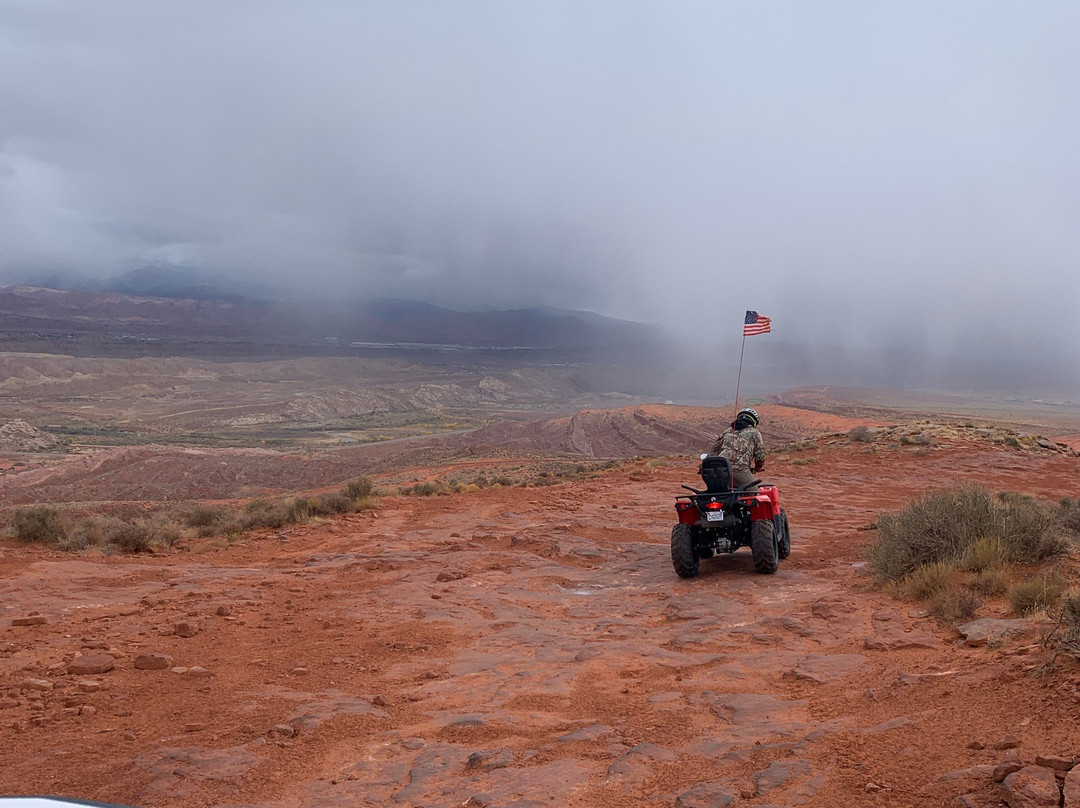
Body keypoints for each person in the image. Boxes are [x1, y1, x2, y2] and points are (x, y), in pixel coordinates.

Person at [709, 407, 765, 491]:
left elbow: (714, 451)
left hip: (720, 470)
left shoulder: (727, 431)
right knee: (753, 492)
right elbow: (760, 456)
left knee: (718, 493)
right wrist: (758, 468)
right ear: (754, 421)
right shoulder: (755, 433)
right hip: (740, 470)